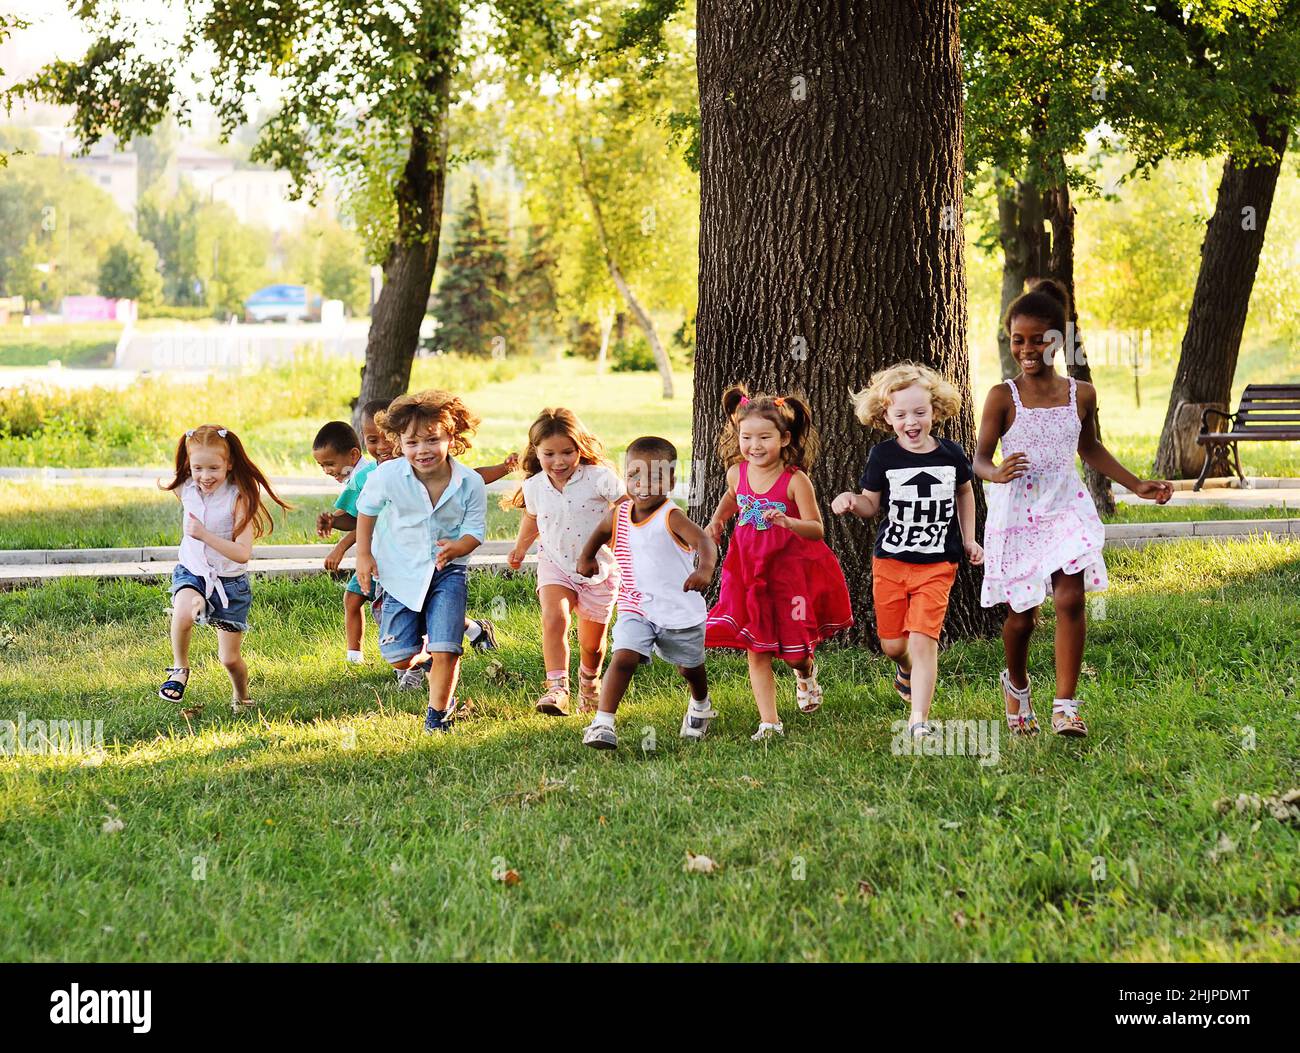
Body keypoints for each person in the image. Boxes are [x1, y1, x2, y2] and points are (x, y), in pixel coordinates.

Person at [975, 278, 1172, 737]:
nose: (1027, 349)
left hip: (1065, 503)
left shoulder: (1080, 394)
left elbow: (1089, 447)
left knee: (1070, 597)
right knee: (1021, 618)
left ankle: (1066, 705)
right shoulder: (1002, 397)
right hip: (1018, 511)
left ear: (1057, 340)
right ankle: (1017, 684)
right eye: (1017, 340)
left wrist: (1136, 484)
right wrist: (995, 472)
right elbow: (980, 458)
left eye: (1038, 339)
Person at [833, 362, 982, 738]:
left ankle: (919, 719)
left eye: (920, 412)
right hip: (891, 561)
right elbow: (871, 505)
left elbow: (965, 493)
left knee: (923, 639)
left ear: (936, 410)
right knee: (893, 644)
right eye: (901, 414)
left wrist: (969, 539)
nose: (911, 421)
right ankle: (903, 669)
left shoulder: (951, 453)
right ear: (886, 416)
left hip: (938, 561)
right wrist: (852, 500)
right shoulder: (883, 457)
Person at [704, 386, 853, 740]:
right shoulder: (736, 473)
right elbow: (732, 498)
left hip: (788, 574)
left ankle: (805, 672)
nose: (754, 446)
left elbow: (817, 529)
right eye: (746, 437)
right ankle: (769, 722)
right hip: (747, 570)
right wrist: (718, 521)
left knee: (794, 651)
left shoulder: (795, 480)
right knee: (757, 648)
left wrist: (788, 522)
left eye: (764, 437)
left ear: (784, 438)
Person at [354, 391, 487, 734]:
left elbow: (475, 531)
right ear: (398, 442)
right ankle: (431, 650)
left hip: (448, 572)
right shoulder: (387, 476)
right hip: (399, 572)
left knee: (448, 649)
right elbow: (366, 511)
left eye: (432, 440)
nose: (422, 450)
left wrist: (458, 547)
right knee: (400, 657)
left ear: (451, 438)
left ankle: (438, 716)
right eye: (412, 442)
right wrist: (363, 555)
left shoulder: (469, 482)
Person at [576, 436, 718, 750]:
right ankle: (603, 723)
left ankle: (701, 704)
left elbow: (706, 542)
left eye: (653, 477)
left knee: (689, 668)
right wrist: (586, 557)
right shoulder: (620, 512)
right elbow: (600, 531)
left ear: (670, 479)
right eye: (633, 475)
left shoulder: (672, 516)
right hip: (635, 604)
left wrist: (704, 570)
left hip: (677, 609)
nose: (641, 484)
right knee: (623, 656)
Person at [157, 425, 291, 714]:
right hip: (192, 573)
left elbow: (242, 554)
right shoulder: (186, 488)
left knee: (229, 659)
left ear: (229, 464)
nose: (205, 476)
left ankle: (241, 696)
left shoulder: (239, 498)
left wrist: (204, 534)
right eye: (198, 468)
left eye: (214, 468)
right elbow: (184, 467)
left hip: (230, 584)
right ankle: (180, 668)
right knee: (183, 612)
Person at [507, 409, 626, 716]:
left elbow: (627, 507)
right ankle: (557, 688)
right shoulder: (535, 486)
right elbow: (533, 519)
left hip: (599, 569)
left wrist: (622, 540)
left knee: (592, 645)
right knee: (554, 617)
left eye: (567, 453)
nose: (558, 462)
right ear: (536, 451)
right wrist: (520, 549)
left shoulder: (599, 478)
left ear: (580, 448)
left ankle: (590, 683)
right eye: (549, 454)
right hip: (555, 563)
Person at [311, 420, 377, 664]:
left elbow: (371, 520)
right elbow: (354, 518)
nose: (327, 470)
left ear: (353, 455)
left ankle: (471, 630)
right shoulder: (357, 477)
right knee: (353, 598)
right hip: (373, 552)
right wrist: (333, 521)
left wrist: (340, 548)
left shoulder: (367, 476)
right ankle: (354, 659)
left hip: (386, 553)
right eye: (321, 466)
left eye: (330, 463)